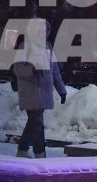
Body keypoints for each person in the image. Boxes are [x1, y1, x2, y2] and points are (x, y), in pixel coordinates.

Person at [10, 16, 67, 158]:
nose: (44, 33)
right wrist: (32, 69)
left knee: (34, 122)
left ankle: (22, 149)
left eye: (46, 30)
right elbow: (18, 69)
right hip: (30, 92)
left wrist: (62, 90)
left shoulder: (47, 47)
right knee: (37, 123)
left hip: (43, 92)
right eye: (41, 30)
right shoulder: (25, 46)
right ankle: (40, 153)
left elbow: (55, 71)